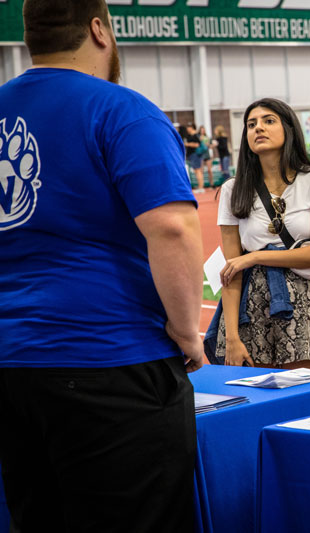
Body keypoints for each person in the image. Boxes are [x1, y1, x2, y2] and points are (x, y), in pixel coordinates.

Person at [0, 1, 204, 531]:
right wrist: (187, 332)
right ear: (99, 29)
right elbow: (172, 228)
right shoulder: (122, 110)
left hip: (13, 365)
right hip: (110, 360)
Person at [206, 98, 310, 372]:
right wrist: (232, 337)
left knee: (305, 397)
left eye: (268, 121)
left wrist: (255, 257)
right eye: (251, 124)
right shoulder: (232, 189)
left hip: (303, 304)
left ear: (288, 129)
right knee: (254, 397)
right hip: (249, 309)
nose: (258, 128)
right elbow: (231, 271)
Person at [184, 122, 205, 191]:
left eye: (188, 127)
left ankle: (201, 187)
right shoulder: (189, 135)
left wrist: (188, 144)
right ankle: (200, 186)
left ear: (191, 127)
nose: (187, 129)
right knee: (196, 171)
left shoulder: (195, 135)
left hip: (195, 154)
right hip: (191, 155)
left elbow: (197, 145)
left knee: (198, 170)